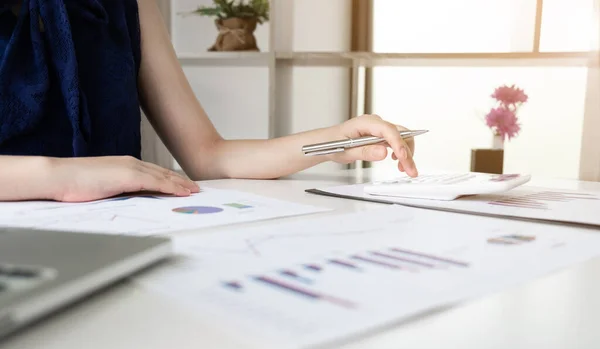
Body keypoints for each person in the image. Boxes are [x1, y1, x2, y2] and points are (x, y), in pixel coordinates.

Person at [0, 0, 418, 203]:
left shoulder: (132, 5)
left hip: (123, 246)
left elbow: (208, 155)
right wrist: (59, 176)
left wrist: (335, 139)